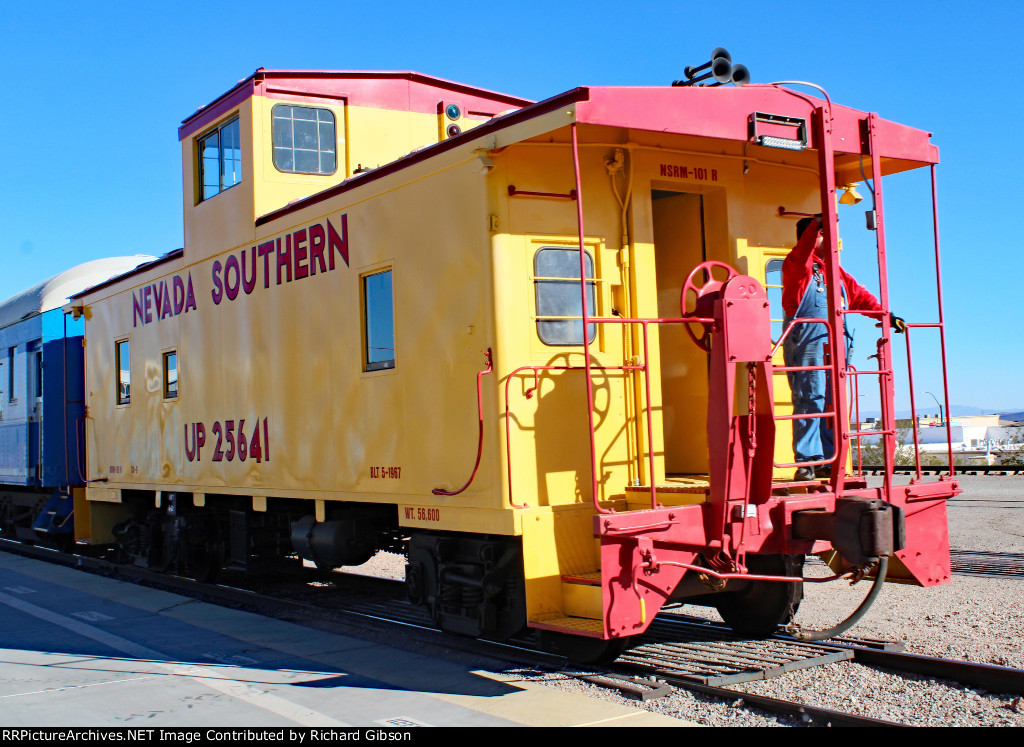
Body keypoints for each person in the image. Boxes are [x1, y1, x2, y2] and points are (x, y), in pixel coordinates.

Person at [782, 215, 905, 481]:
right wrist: (817, 223)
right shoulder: (797, 265)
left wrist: (887, 315)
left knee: (831, 400)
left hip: (835, 343)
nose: (834, 240)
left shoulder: (834, 271)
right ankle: (807, 461)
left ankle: (828, 457)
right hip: (808, 341)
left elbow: (859, 296)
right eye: (826, 234)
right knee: (809, 398)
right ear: (814, 237)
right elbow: (803, 249)